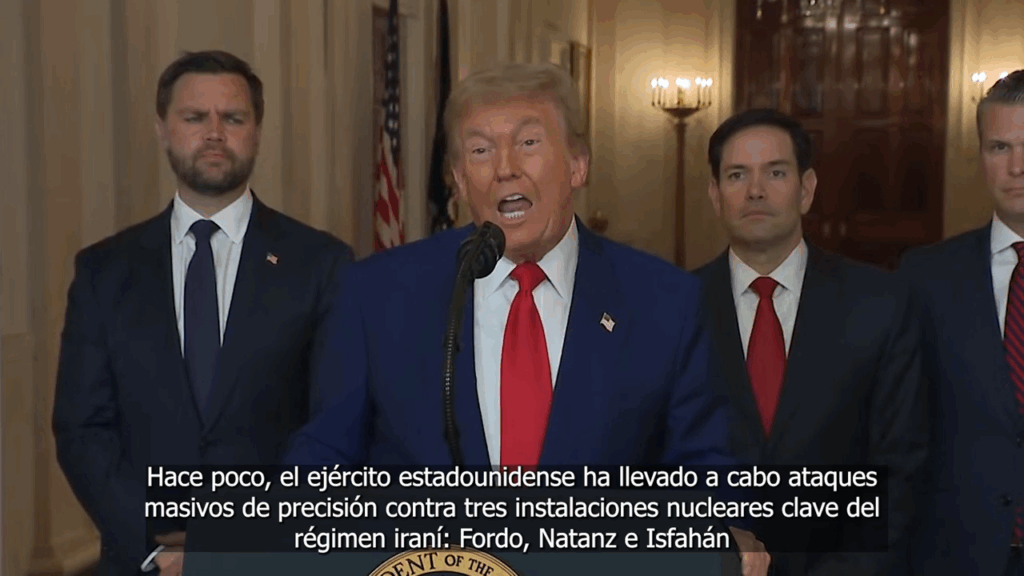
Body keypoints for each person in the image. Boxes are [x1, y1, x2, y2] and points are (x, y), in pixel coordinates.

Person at [284, 62, 769, 575]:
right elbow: (324, 459)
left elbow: (707, 469)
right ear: (458, 180)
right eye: (480, 151)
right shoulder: (377, 294)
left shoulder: (665, 302)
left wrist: (715, 536)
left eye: (529, 143)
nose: (505, 168)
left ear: (578, 164)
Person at [51, 50, 354, 576]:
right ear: (163, 130)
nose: (214, 133)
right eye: (195, 117)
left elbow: (334, 422)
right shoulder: (103, 271)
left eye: (232, 118)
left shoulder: (321, 264)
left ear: (256, 131)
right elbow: (82, 428)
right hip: (143, 561)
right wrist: (154, 549)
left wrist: (243, 545)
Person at [694, 108, 928, 575]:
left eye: (775, 173)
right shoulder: (673, 310)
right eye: (737, 175)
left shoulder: (879, 304)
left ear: (806, 189)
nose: (755, 190)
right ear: (716, 195)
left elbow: (901, 467)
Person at [899, 70, 1024, 576]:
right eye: (999, 147)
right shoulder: (925, 276)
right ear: (980, 155)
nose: (1016, 167)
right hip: (957, 554)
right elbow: (900, 432)